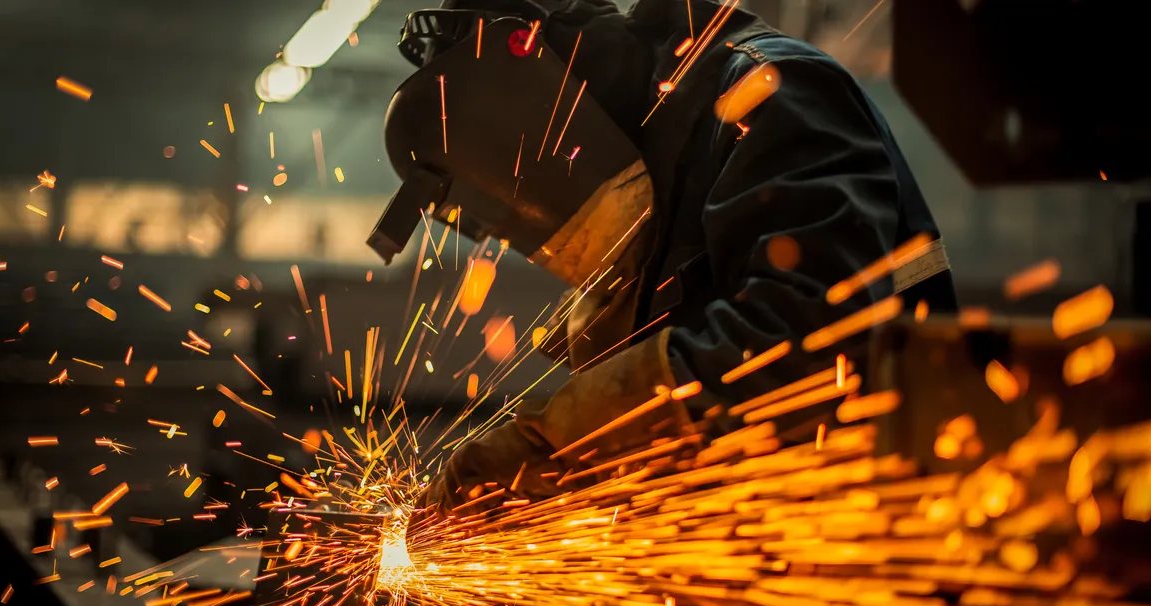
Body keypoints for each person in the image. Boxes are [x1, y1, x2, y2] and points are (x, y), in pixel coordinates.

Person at [367, 0, 957, 521]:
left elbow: (808, 345)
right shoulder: (654, 159)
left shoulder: (769, 91)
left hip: (856, 542)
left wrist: (559, 444)